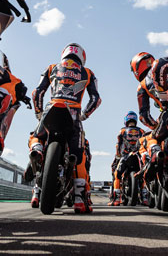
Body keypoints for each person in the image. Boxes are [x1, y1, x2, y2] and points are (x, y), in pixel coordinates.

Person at [28, 43, 101, 213]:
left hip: (50, 109)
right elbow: (96, 99)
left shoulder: (51, 68)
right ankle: (79, 199)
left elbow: (37, 92)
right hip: (74, 114)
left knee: (36, 136)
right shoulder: (88, 73)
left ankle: (37, 153)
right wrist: (84, 115)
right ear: (82, 57)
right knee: (79, 156)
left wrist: (38, 112)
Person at [112, 111, 147, 205]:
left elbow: (118, 144)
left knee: (117, 175)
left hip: (126, 156)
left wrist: (118, 155)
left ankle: (116, 199)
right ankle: (144, 197)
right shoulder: (142, 131)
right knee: (144, 174)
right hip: (139, 156)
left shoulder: (122, 131)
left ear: (126, 120)